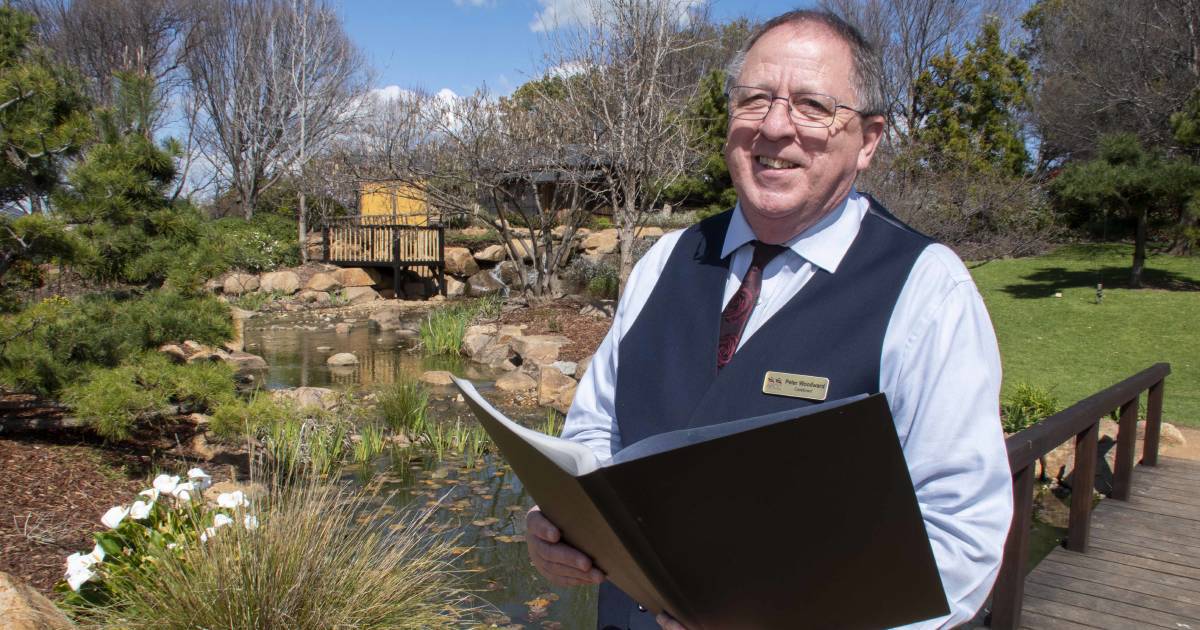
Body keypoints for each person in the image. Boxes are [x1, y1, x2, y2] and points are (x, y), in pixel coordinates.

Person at [525, 9, 1013, 630]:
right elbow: (594, 435)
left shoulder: (926, 289)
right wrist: (562, 523)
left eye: (812, 104)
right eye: (754, 99)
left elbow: (959, 534)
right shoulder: (664, 261)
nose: (775, 127)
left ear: (867, 140)